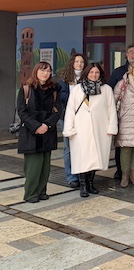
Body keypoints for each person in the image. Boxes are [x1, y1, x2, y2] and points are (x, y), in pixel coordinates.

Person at [63, 63, 118, 198]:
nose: (94, 75)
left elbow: (112, 109)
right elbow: (70, 110)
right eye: (91, 72)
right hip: (80, 129)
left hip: (100, 128)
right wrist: (69, 129)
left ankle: (90, 183)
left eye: (97, 72)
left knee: (95, 158)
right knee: (83, 158)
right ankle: (83, 185)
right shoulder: (77, 89)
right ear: (86, 73)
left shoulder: (106, 89)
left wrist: (112, 127)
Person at [17, 62, 62, 203]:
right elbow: (22, 112)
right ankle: (31, 193)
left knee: (45, 166)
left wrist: (47, 125)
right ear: (36, 71)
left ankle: (42, 191)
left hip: (47, 133)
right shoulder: (26, 89)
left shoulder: (54, 90)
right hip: (31, 133)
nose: (45, 73)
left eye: (48, 71)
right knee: (33, 166)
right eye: (43, 70)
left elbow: (58, 111)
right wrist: (36, 126)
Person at [107, 45, 134, 180]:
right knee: (122, 145)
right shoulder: (118, 72)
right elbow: (109, 92)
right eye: (131, 52)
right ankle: (120, 171)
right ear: (126, 55)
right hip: (124, 116)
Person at [57, 52, 87, 188]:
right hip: (68, 117)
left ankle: (83, 175)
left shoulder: (88, 77)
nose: (79, 64)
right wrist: (75, 99)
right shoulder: (64, 79)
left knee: (83, 147)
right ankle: (71, 177)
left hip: (85, 118)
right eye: (76, 62)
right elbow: (61, 96)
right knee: (69, 148)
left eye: (81, 62)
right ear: (72, 64)